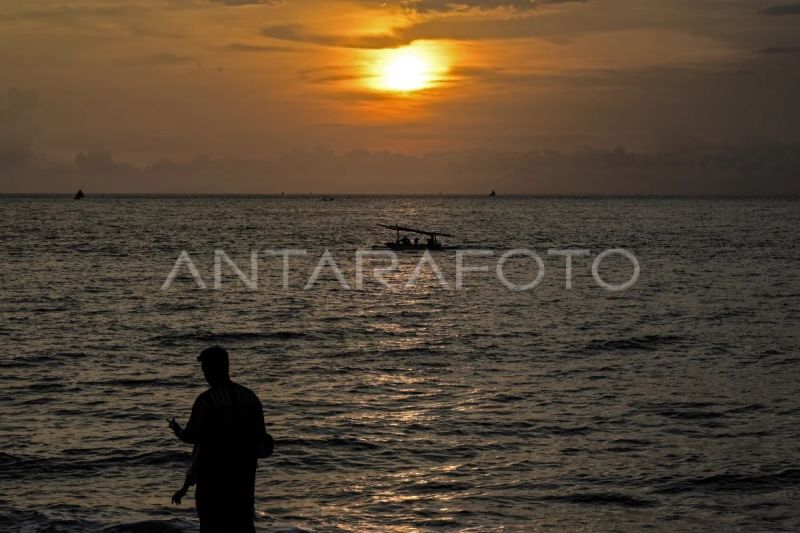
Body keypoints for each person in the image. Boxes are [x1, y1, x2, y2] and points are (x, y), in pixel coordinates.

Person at [168, 346, 270, 533]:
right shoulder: (250, 397)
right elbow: (262, 440)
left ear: (215, 368)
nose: (204, 372)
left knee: (212, 526)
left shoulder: (206, 401)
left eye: (206, 368)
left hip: (212, 481)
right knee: (243, 526)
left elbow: (191, 436)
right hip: (244, 480)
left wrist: (176, 429)